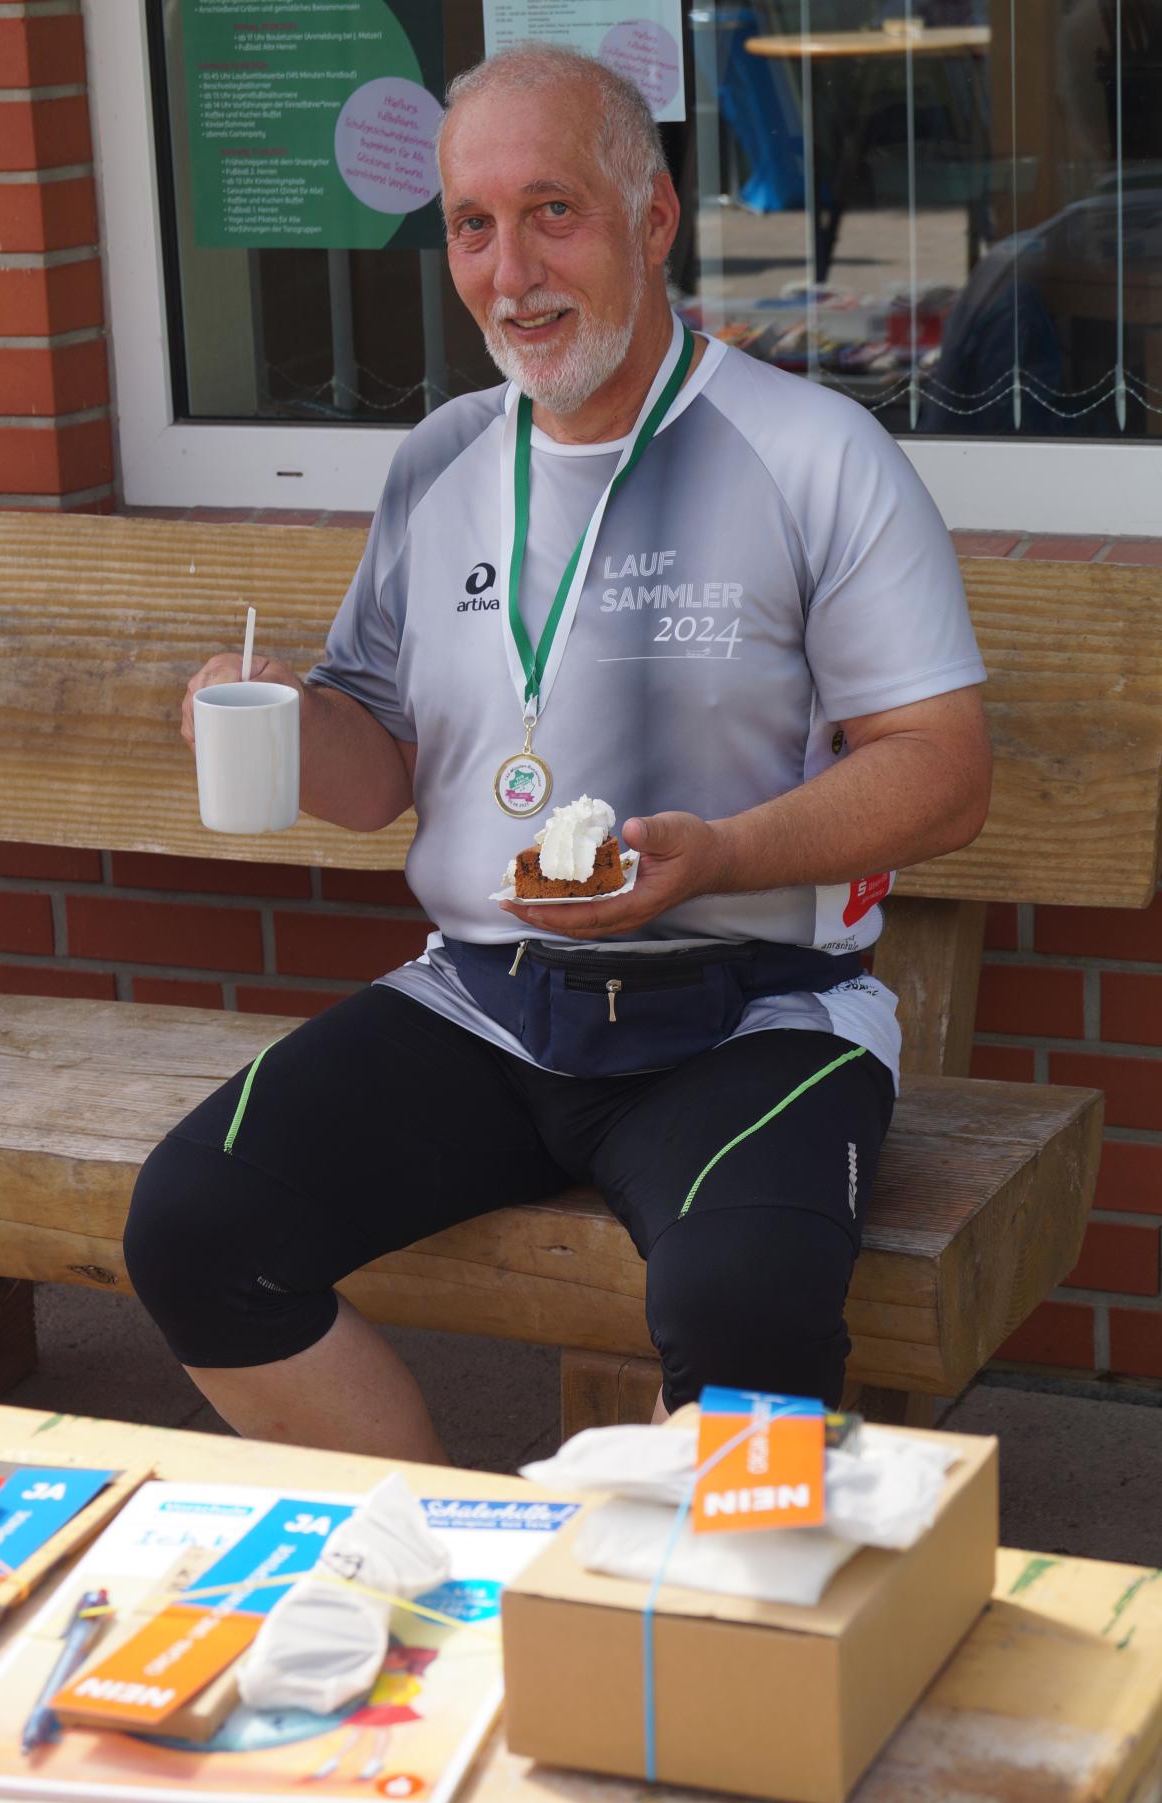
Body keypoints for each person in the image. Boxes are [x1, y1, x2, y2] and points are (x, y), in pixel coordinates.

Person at [125, 42, 990, 1464]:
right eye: (473, 225)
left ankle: (683, 1593)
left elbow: (945, 769)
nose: (511, 273)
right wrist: (279, 719)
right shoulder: (442, 459)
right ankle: (439, 1560)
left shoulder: (814, 450)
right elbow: (377, 775)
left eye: (553, 212)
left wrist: (721, 855)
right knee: (195, 1226)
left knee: (748, 1316)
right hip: (483, 1002)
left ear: (653, 219)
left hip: (753, 1013)